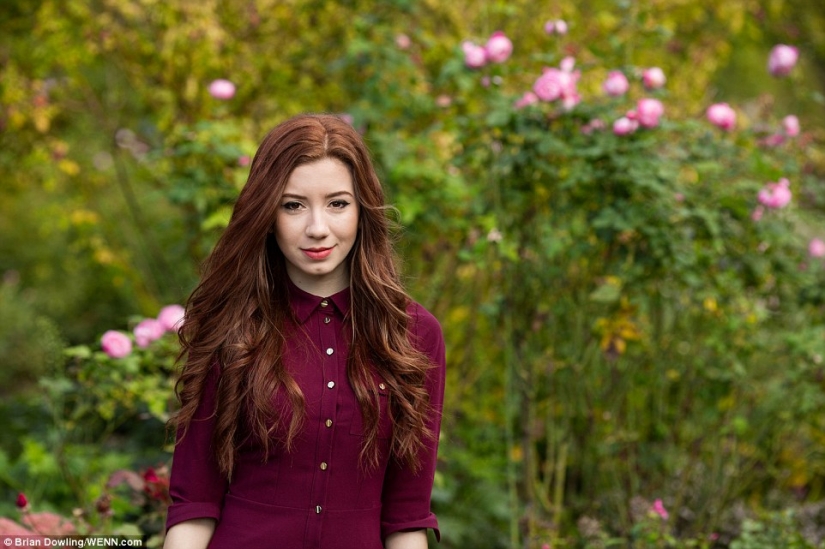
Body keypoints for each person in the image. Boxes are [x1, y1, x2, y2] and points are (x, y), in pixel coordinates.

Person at [163, 113, 446, 549]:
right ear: (267, 213)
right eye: (293, 205)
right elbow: (194, 502)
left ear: (362, 209)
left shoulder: (415, 336)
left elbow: (407, 518)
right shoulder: (230, 326)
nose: (317, 228)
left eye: (337, 203)